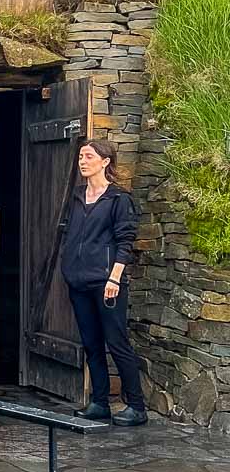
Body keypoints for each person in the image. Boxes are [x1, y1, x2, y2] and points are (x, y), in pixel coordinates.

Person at [60, 137, 147, 427]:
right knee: (91, 343)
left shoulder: (118, 199)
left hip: (107, 283)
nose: (82, 161)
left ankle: (136, 406)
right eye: (81, 157)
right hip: (78, 281)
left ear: (105, 162)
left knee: (117, 341)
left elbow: (125, 241)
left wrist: (115, 278)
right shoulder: (75, 196)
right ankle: (99, 402)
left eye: (88, 156)